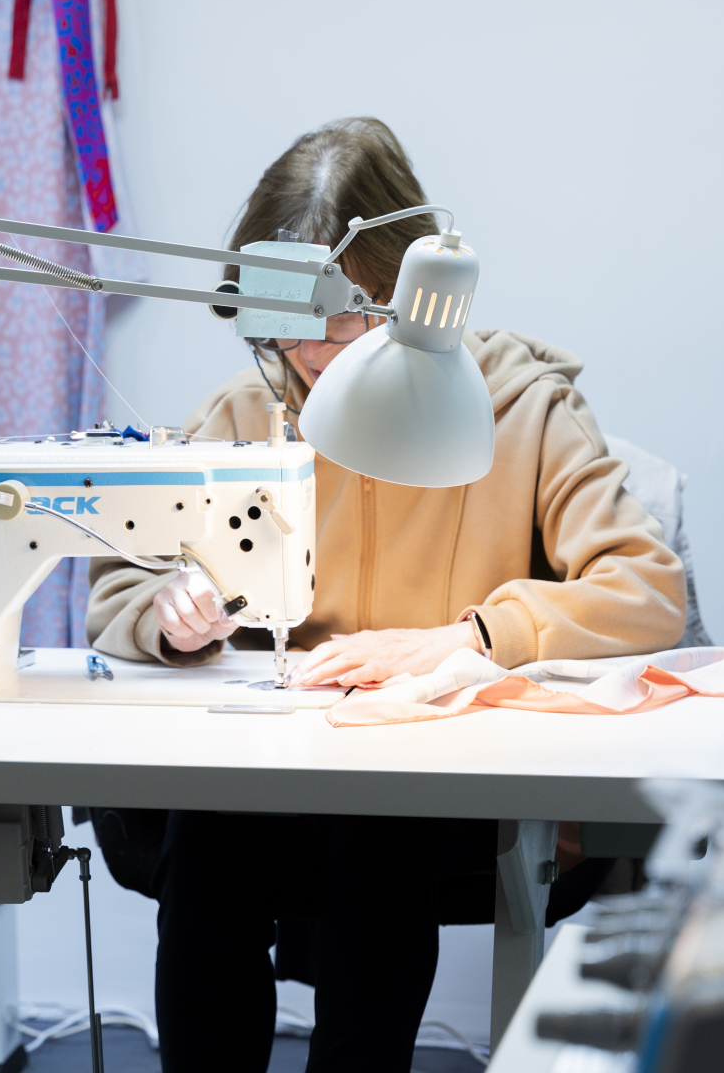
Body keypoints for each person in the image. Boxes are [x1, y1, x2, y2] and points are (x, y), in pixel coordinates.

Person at [85, 117, 686, 1072]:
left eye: (342, 317)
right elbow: (120, 578)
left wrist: (469, 637)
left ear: (413, 291)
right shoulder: (245, 410)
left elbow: (644, 589)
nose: (308, 351)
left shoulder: (520, 403)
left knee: (382, 816)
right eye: (284, 322)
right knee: (206, 824)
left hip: (433, 792)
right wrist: (166, 612)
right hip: (269, 774)